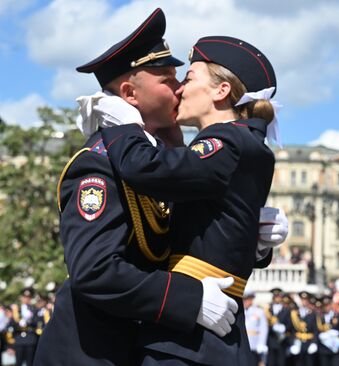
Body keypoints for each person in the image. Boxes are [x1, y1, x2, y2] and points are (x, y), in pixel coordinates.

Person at [33, 9, 284, 365]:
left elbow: (190, 238)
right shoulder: (101, 163)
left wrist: (253, 238)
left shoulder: (171, 158)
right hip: (94, 352)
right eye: (168, 79)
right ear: (130, 94)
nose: (180, 86)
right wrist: (188, 299)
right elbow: (96, 270)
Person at [98, 35, 280, 365]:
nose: (180, 88)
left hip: (190, 342)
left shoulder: (226, 143)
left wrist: (122, 126)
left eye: (190, 77)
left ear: (221, 91)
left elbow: (147, 170)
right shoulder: (246, 144)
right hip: (208, 333)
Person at [244, 290, 269, 365]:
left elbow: (263, 329)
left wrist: (262, 343)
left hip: (254, 344)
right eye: (244, 299)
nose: (245, 302)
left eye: (247, 299)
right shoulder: (241, 311)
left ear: (251, 300)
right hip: (243, 343)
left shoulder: (259, 311)